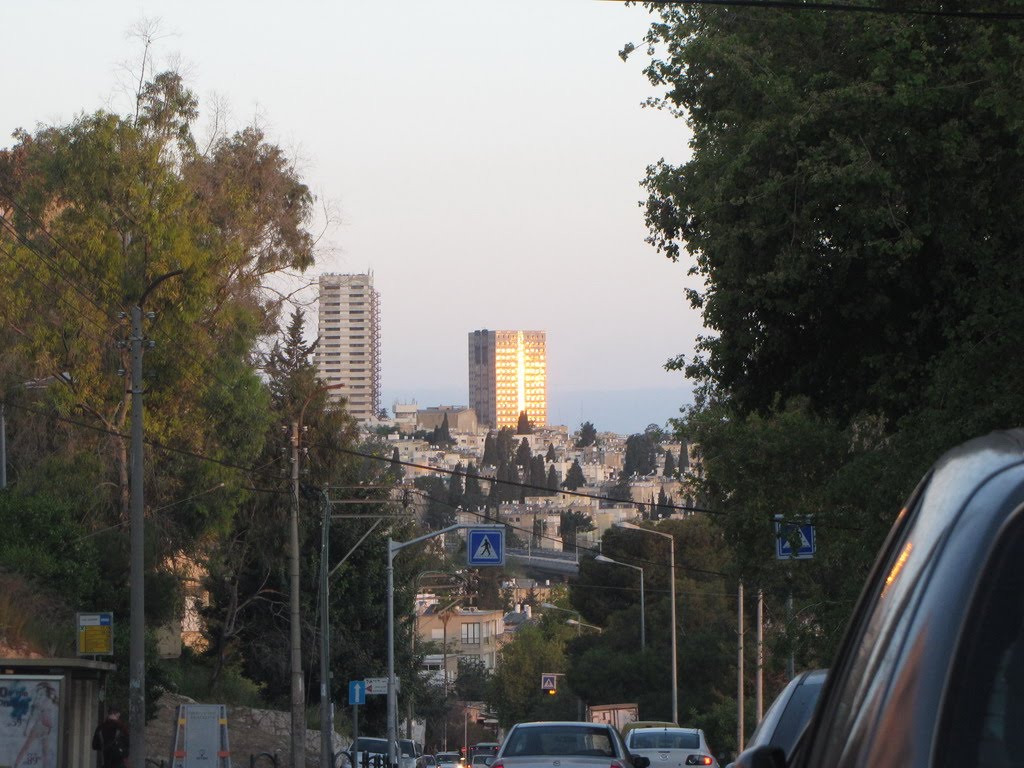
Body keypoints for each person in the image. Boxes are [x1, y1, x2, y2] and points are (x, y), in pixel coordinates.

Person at [13, 681, 59, 768]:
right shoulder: (40, 702)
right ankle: (16, 764)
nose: (40, 692)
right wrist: (27, 729)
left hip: (46, 728)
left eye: (41, 690)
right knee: (28, 746)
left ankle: (17, 764)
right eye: (39, 690)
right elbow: (32, 716)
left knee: (44, 750)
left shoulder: (49, 700)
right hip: (40, 727)